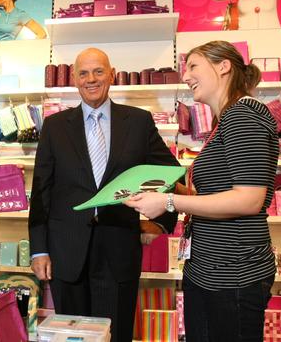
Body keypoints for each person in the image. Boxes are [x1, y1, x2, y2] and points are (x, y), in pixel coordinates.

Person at [124, 40, 279, 342]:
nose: (186, 75)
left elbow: (249, 199)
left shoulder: (243, 114)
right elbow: (217, 196)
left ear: (224, 67)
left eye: (193, 65)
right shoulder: (225, 121)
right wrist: (163, 189)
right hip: (208, 269)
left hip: (233, 272)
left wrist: (168, 201)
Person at [29, 47, 180, 342]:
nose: (91, 79)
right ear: (74, 79)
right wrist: (39, 248)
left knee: (116, 333)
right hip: (65, 251)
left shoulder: (137, 121)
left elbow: (170, 172)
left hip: (118, 249)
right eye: (83, 73)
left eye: (98, 71)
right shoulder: (55, 126)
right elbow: (42, 190)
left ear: (111, 75)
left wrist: (160, 220)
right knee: (71, 335)